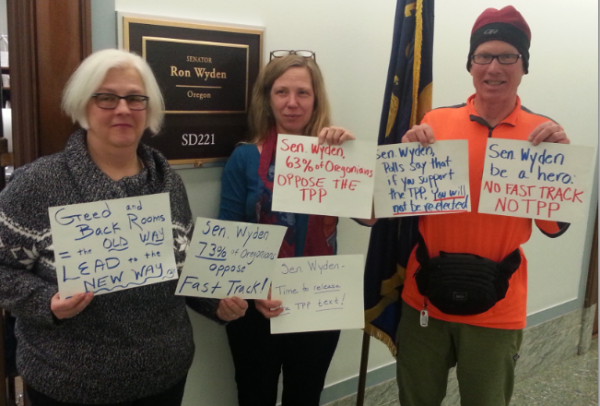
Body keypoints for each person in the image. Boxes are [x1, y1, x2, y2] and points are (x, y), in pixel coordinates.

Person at [0, 49, 247, 406]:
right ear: (84, 105)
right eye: (106, 97)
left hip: (165, 376)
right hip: (68, 386)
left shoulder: (169, 183)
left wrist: (216, 303)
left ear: (148, 109)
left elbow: (183, 265)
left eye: (135, 98)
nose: (122, 109)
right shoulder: (37, 185)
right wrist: (46, 302)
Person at [395, 6, 570, 406]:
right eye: (483, 56)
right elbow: (400, 207)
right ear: (471, 64)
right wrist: (403, 163)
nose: (494, 67)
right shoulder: (435, 122)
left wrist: (561, 168)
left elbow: (555, 228)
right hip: (425, 298)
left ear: (524, 65)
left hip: (499, 305)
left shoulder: (543, 136)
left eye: (507, 56)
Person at [218, 51, 355, 406]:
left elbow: (371, 217)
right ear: (267, 98)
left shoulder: (336, 156)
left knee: (305, 397)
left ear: (316, 99)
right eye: (281, 92)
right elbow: (228, 236)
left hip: (318, 299)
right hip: (255, 302)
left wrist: (352, 157)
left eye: (302, 93)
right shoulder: (244, 158)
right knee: (254, 396)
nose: (292, 103)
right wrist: (254, 290)